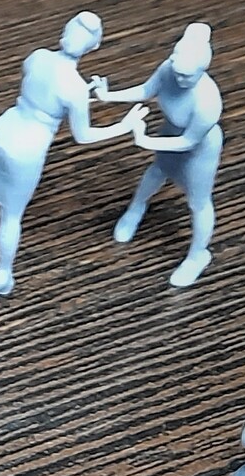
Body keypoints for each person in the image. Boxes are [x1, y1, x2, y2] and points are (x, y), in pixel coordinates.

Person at [0, 11, 143, 300]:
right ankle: (2, 274)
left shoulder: (38, 57)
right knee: (10, 216)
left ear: (65, 33)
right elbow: (83, 135)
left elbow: (41, 88)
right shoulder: (75, 88)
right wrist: (123, 126)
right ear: (93, 47)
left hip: (5, 127)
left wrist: (76, 98)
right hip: (28, 146)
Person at [90, 21, 223, 287]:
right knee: (157, 171)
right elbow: (145, 91)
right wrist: (108, 96)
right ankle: (136, 209)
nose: (180, 79)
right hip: (169, 132)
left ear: (202, 71)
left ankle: (198, 255)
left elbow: (187, 142)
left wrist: (146, 140)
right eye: (178, 73)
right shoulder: (168, 70)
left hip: (199, 150)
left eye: (188, 76)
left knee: (198, 203)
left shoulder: (208, 103)